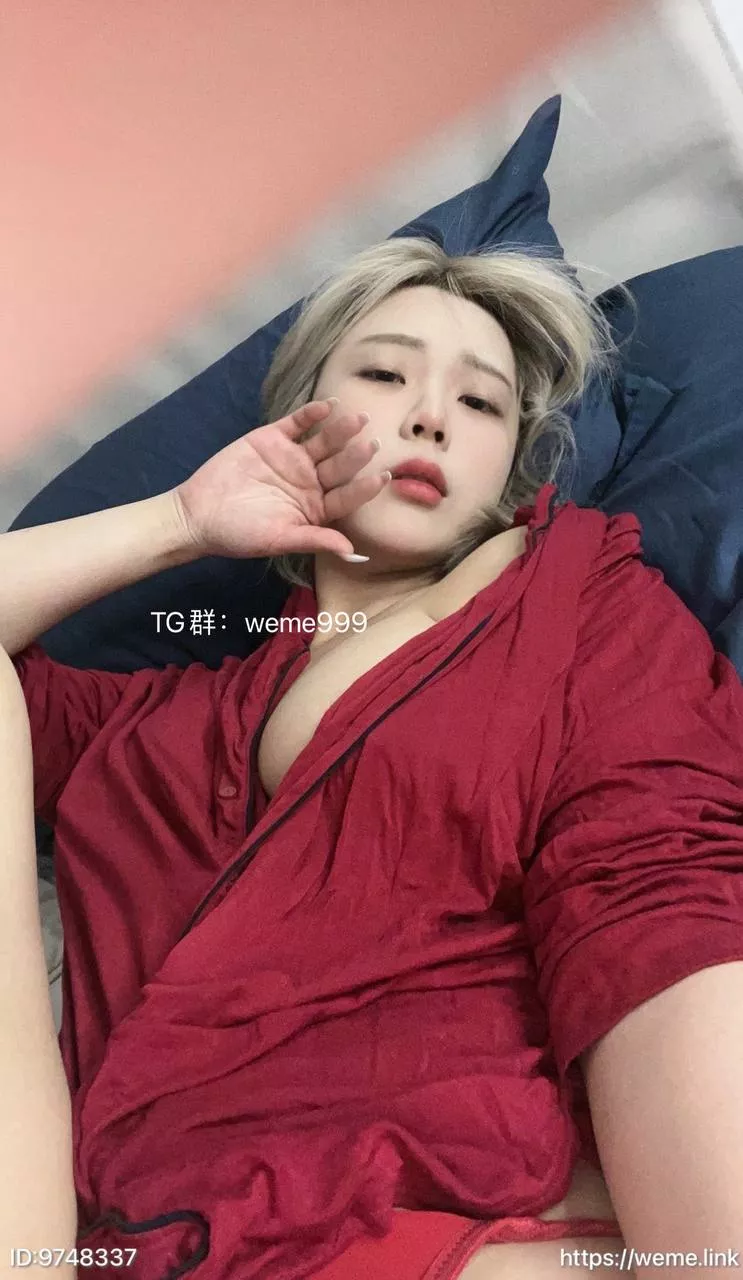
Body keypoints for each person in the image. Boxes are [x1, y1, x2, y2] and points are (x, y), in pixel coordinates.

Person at [1, 237, 742, 1280]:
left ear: (508, 468)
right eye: (386, 375)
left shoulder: (573, 604)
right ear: (296, 417)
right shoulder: (147, 721)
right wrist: (178, 523)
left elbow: (657, 893)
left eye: (479, 403)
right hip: (123, 1234)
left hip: (418, 1223)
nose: (430, 416)